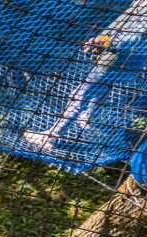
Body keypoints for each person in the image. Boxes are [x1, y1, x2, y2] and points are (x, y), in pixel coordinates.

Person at [23, 0, 147, 151]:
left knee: (82, 93)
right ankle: (87, 120)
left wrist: (103, 44)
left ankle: (51, 135)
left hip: (119, 57)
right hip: (134, 65)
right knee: (102, 89)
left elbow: (132, 36)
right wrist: (102, 40)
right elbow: (124, 24)